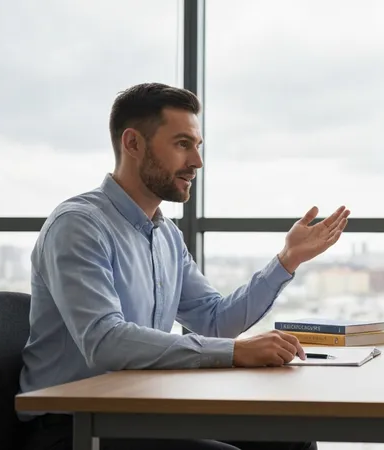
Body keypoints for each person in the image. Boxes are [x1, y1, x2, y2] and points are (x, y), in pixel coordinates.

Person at [19, 82, 349, 450]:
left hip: (141, 410)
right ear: (133, 143)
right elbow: (105, 341)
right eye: (182, 144)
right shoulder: (79, 226)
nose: (197, 162)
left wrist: (288, 260)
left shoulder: (166, 236)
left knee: (291, 440)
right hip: (72, 425)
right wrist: (236, 352)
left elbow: (214, 320)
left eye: (197, 146)